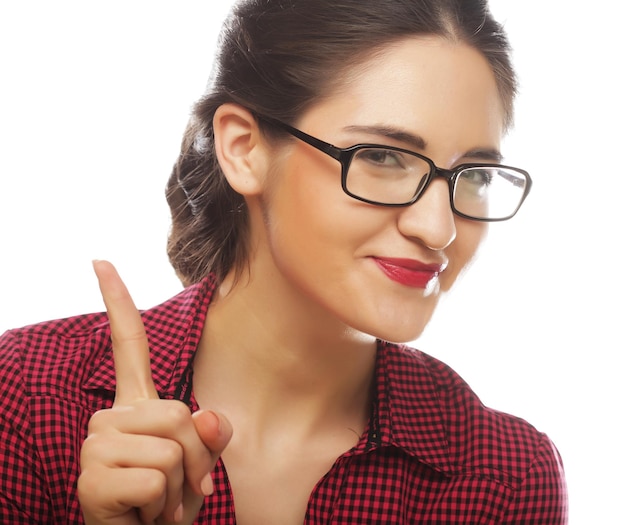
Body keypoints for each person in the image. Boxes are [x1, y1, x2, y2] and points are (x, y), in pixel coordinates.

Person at [0, 0, 568, 523]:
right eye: (383, 157)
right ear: (244, 149)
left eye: (476, 173)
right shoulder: (29, 397)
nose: (438, 228)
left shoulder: (507, 478)